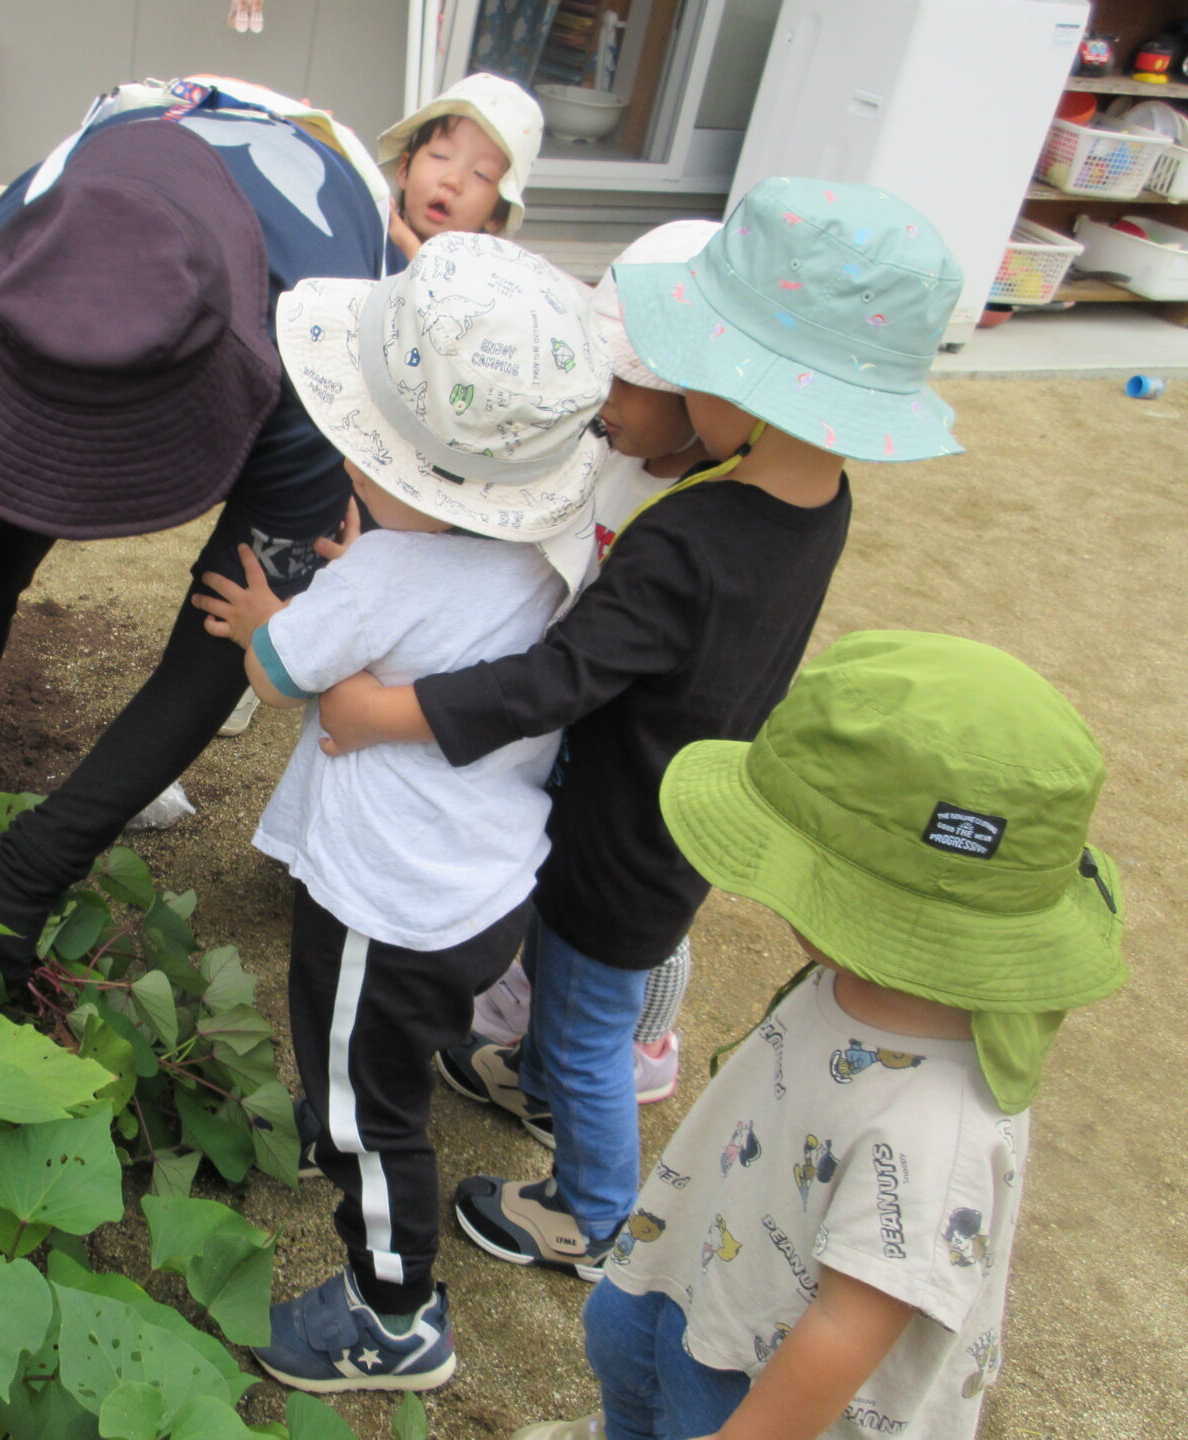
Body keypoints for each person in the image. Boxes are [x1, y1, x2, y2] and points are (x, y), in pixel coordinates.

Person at [310, 177, 965, 1277]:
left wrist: (392, 710)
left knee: (587, 1029)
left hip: (621, 836)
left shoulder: (688, 539)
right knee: (568, 1003)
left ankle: (594, 1212)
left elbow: (555, 680)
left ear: (753, 388)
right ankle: (536, 1082)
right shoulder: (816, 505)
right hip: (680, 808)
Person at [514, 629, 1127, 1440]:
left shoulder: (936, 1129)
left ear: (884, 906)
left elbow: (847, 1329)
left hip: (753, 1389)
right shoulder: (857, 981)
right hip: (710, 1271)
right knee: (632, 1359)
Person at [0, 99, 386, 981]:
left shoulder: (325, 365)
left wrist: (33, 867)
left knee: (250, 597)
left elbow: (221, 639)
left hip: (302, 253)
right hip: (143, 170)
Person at [192, 232, 608, 1392]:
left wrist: (268, 615)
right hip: (485, 883)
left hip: (384, 902)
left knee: (368, 1115)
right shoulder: (546, 552)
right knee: (392, 1053)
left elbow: (280, 672)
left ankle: (395, 1313)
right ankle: (370, 1116)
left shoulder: (383, 575)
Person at [464, 219, 725, 1105]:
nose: (602, 395)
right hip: (575, 711)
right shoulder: (617, 448)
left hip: (633, 756)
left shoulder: (700, 514)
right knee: (557, 871)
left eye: (629, 379)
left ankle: (640, 1046)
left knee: (636, 929)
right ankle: (533, 997)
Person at [378, 72, 543, 262]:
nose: (452, 181)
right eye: (440, 155)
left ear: (496, 217)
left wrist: (403, 238)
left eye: (481, 174)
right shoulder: (372, 233)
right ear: (404, 170)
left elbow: (434, 280)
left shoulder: (484, 272)